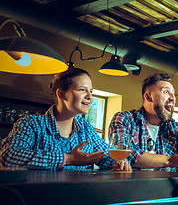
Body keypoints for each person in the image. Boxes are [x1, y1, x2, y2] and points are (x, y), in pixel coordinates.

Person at [0, 67, 131, 171]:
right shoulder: (31, 124)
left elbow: (104, 155)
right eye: (82, 90)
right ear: (61, 94)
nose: (89, 97)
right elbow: (9, 155)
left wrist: (115, 162)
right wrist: (67, 159)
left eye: (91, 91)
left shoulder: (85, 127)